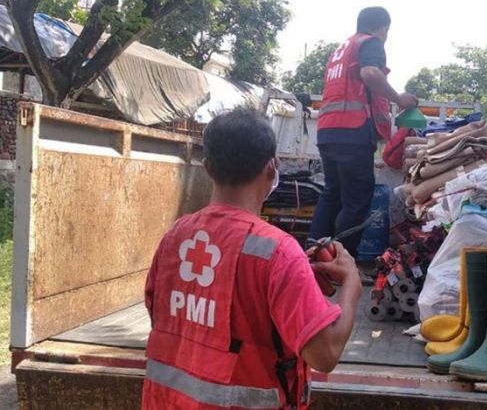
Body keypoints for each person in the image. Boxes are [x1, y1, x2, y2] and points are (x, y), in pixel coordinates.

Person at [141, 110, 362, 409]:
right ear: (272, 168)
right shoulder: (278, 253)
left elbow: (170, 318)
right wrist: (351, 286)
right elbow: (325, 354)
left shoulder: (175, 238)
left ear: (207, 168)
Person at [310, 6, 418, 256]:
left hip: (328, 131)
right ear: (383, 28)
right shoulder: (371, 43)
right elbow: (370, 73)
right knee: (356, 200)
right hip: (352, 132)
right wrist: (399, 100)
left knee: (332, 194)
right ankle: (342, 262)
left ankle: (313, 258)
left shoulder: (342, 49)